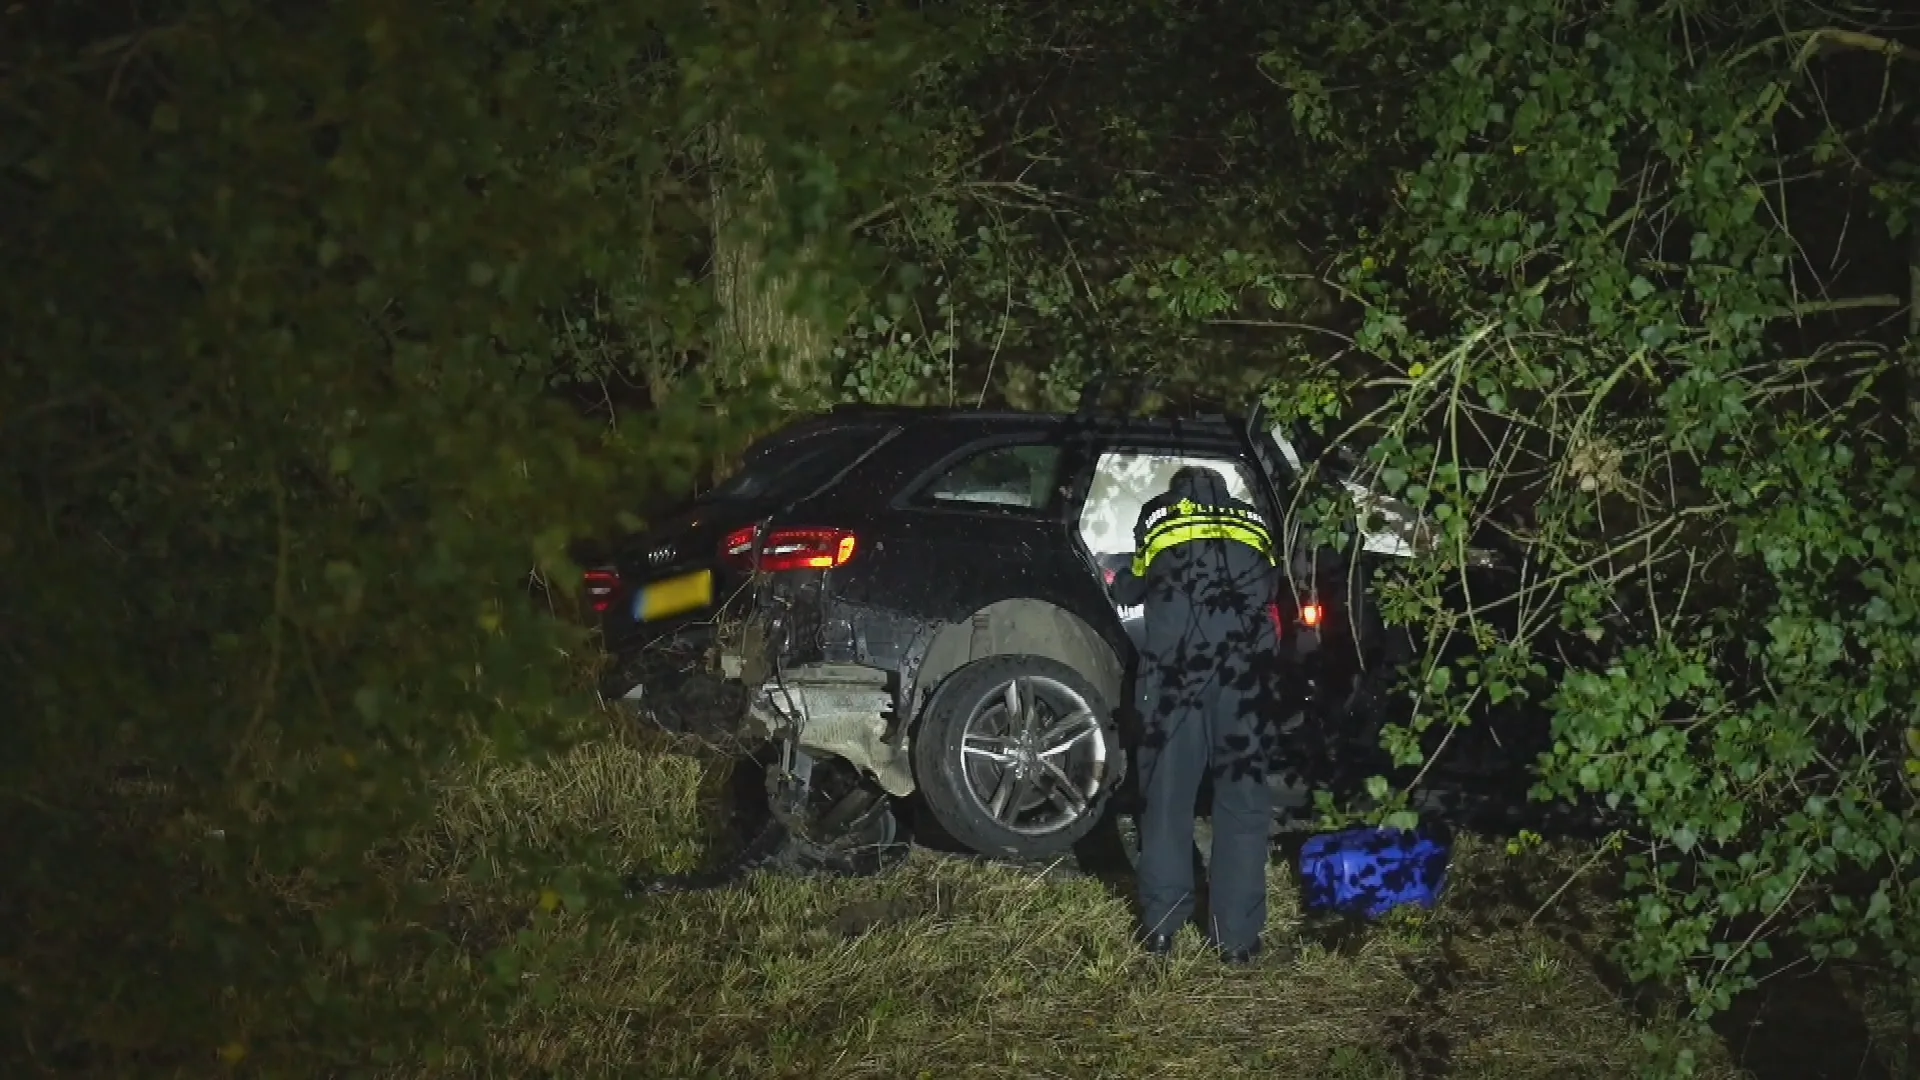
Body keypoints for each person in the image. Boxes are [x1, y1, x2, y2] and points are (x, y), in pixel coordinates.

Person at [1108, 464, 1283, 965]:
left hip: (1174, 679)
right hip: (1241, 680)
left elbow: (1131, 589)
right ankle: (1236, 941)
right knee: (1242, 806)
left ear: (1178, 489)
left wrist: (1118, 578)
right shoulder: (1253, 522)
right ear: (1223, 490)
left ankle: (1162, 929)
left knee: (1166, 802)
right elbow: (1269, 590)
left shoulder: (1158, 516)